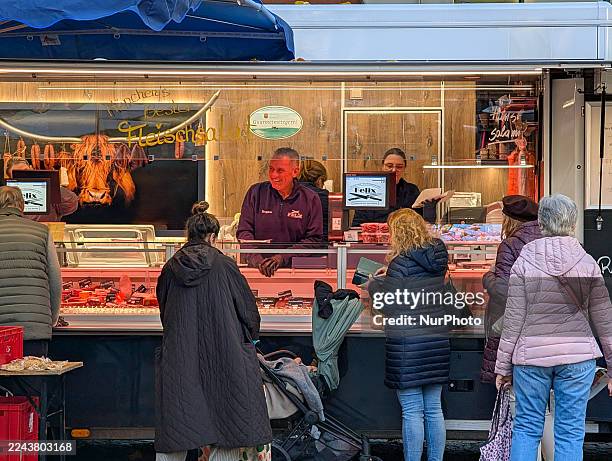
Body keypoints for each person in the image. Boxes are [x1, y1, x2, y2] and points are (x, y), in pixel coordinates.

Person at [495, 194, 612, 461]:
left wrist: (502, 366)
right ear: (572, 223)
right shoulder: (586, 262)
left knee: (526, 428)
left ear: (541, 223)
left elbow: (513, 317)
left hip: (531, 356)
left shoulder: (525, 259)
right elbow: (605, 319)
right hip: (577, 357)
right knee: (570, 432)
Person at [155, 201, 272, 461]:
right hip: (224, 352)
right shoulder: (225, 265)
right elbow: (247, 309)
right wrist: (252, 338)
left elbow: (164, 310)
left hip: (180, 353)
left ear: (189, 235)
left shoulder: (171, 267)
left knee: (178, 423)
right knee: (227, 423)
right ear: (213, 236)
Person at [369, 208, 449, 461]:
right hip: (436, 338)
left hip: (408, 343)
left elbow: (390, 303)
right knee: (434, 409)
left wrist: (374, 285)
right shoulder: (438, 257)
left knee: (413, 411)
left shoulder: (399, 264)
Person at [237, 147, 323, 277]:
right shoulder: (256, 193)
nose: (273, 175)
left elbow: (314, 240)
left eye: (280, 170)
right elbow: (244, 231)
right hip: (257, 272)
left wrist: (282, 257)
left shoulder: (310, 198)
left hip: (295, 273)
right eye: (271, 169)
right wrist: (257, 259)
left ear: (295, 171)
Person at [0, 186, 61, 357]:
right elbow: (55, 280)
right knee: (31, 379)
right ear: (22, 205)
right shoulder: (42, 231)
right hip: (33, 328)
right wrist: (52, 319)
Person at [352, 148, 421, 227]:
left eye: (399, 167)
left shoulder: (412, 190)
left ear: (404, 168)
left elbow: (418, 223)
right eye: (389, 166)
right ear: (382, 166)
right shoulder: (367, 190)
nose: (394, 170)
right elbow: (357, 225)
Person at [6, 157, 78, 222]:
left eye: (26, 171)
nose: (23, 176)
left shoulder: (47, 190)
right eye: (17, 174)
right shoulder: (6, 196)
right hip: (20, 233)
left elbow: (71, 205)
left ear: (31, 169)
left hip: (47, 233)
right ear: (10, 178)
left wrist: (53, 186)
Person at [298, 159, 329, 239]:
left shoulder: (288, 193)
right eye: (323, 182)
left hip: (290, 248)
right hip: (320, 247)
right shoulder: (326, 197)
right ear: (319, 180)